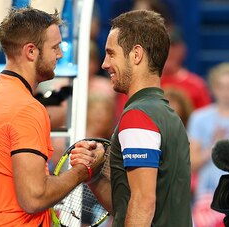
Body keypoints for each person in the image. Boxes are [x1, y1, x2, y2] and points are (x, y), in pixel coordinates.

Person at [0, 7, 104, 226]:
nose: (60, 54)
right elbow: (34, 198)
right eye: (54, 47)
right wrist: (83, 171)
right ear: (31, 52)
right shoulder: (26, 108)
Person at [71, 10, 192, 226]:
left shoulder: (138, 117)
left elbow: (143, 204)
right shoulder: (167, 115)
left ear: (136, 55)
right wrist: (95, 175)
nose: (104, 64)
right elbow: (125, 208)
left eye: (111, 53)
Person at [188, 62, 229, 227]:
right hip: (208, 196)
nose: (227, 93)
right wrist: (215, 147)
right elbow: (192, 163)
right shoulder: (199, 118)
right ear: (213, 88)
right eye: (222, 87)